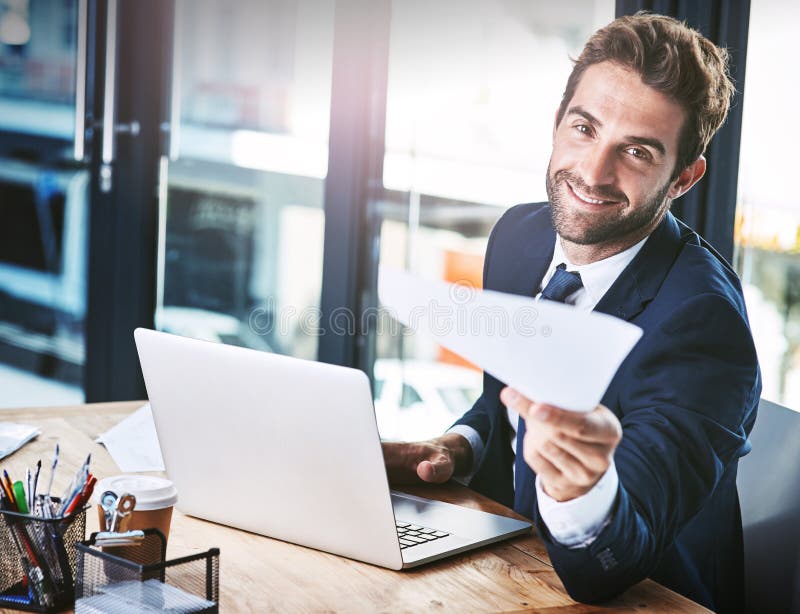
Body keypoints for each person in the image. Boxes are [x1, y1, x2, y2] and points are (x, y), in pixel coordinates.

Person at [382, 12, 761, 613]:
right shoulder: (519, 236)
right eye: (584, 129)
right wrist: (457, 447)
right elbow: (503, 405)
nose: (592, 172)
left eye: (636, 152)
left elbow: (613, 562)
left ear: (684, 178)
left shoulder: (704, 325)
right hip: (509, 576)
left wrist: (580, 490)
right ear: (558, 123)